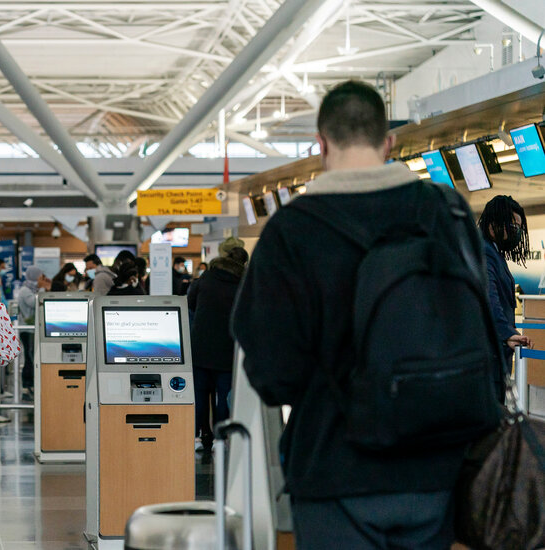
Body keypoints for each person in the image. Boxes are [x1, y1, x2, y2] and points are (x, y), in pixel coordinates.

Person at [232, 80, 486, 549]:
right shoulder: (445, 211)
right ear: (388, 142)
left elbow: (271, 374)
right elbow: (479, 325)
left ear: (321, 144)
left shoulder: (291, 231)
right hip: (437, 470)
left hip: (334, 471)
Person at [187, 237, 247, 461]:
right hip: (227, 348)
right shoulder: (243, 282)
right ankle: (221, 438)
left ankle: (199, 436)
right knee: (225, 396)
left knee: (200, 394)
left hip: (201, 346)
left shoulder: (207, 277)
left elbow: (190, 302)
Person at [479, 195, 533, 389]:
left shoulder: (493, 251)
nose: (516, 232)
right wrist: (507, 333)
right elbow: (489, 296)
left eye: (519, 227)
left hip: (494, 354)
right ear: (493, 223)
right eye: (512, 226)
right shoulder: (485, 252)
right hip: (489, 355)